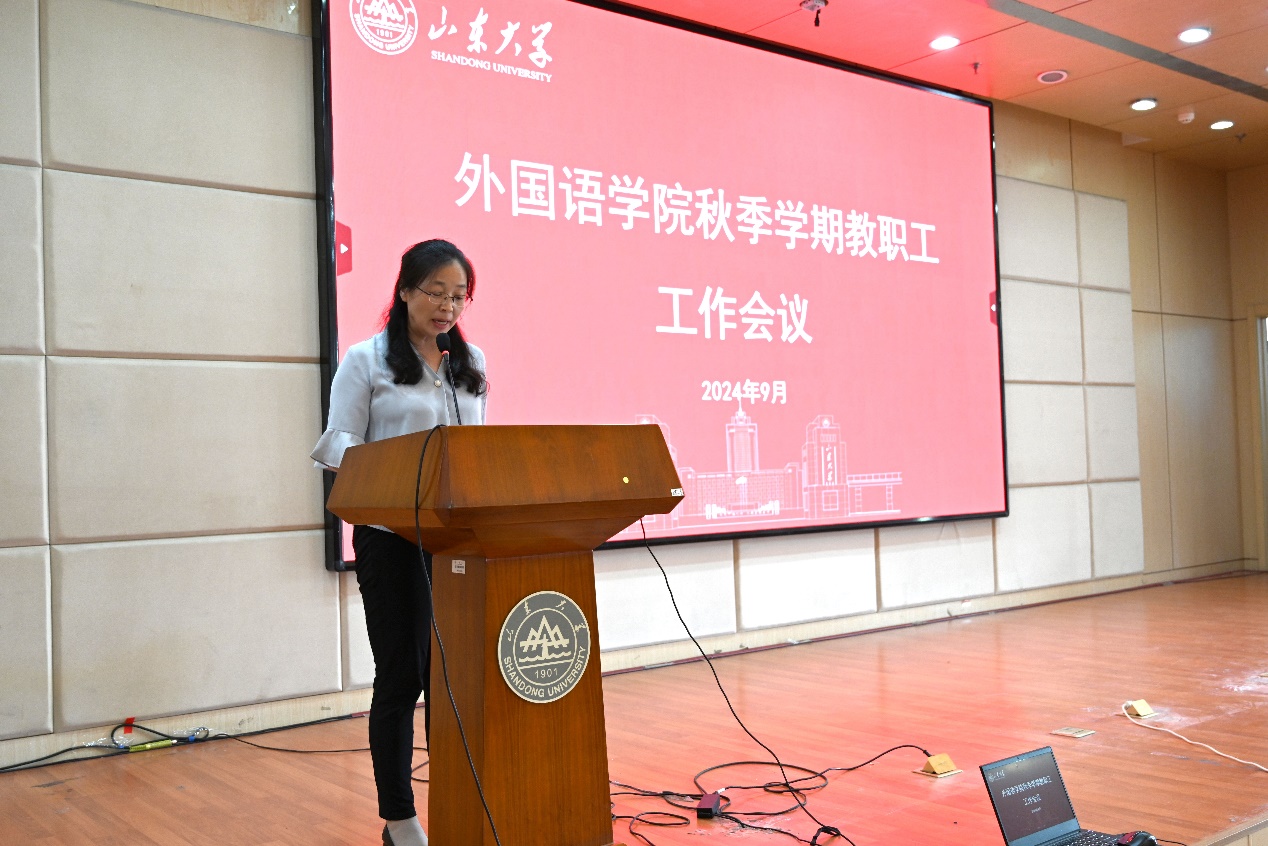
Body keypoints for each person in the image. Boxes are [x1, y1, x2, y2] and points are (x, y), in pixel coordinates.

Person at [310, 239, 488, 846]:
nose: (447, 306)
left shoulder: (470, 363)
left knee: (450, 677)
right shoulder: (366, 360)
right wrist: (394, 470)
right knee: (401, 675)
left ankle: (456, 801)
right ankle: (400, 818)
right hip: (389, 538)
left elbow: (477, 449)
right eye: (435, 292)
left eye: (458, 296)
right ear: (406, 291)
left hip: (453, 539)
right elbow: (339, 444)